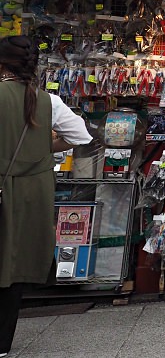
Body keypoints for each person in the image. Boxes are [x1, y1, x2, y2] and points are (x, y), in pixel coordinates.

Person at [1, 35, 91, 355]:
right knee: (14, 266)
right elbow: (80, 135)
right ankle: (2, 342)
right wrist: (43, 146)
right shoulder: (46, 101)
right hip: (30, 195)